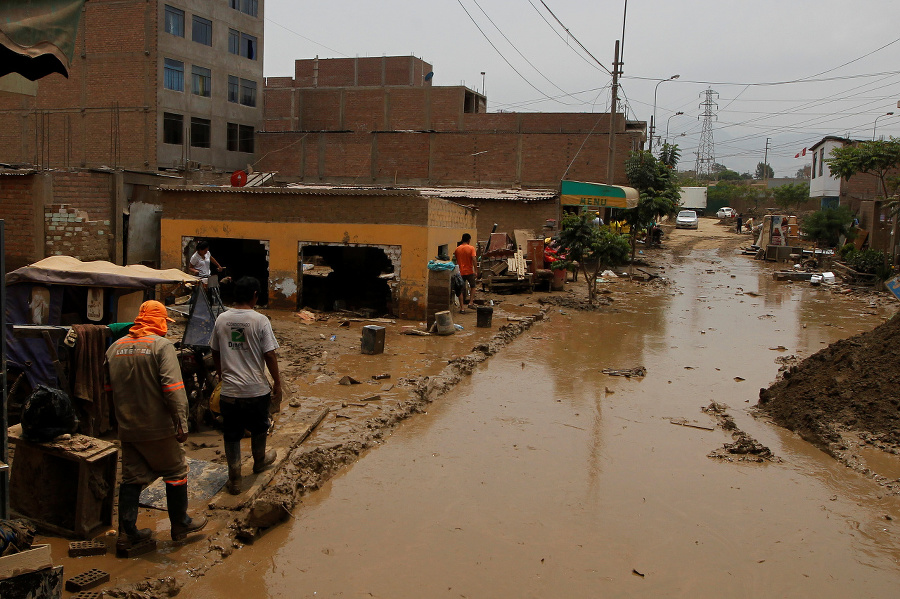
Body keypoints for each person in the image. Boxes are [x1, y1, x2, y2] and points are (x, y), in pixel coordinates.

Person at [104, 301, 207, 552]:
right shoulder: (162, 347)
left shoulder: (114, 348)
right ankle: (180, 524)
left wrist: (116, 421)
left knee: (132, 477)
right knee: (176, 472)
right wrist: (181, 424)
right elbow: (174, 390)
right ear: (159, 322)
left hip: (128, 428)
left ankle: (128, 533)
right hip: (158, 427)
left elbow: (108, 392)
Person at [211, 277, 283, 495]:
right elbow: (269, 354)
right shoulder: (260, 320)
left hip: (230, 391)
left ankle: (234, 479)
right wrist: (277, 383)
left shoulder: (222, 319)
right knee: (260, 426)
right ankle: (259, 461)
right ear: (255, 295)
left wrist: (222, 373)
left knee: (231, 433)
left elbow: (214, 351)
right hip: (255, 390)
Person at [453, 233, 477, 313]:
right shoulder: (471, 248)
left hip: (460, 272)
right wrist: (476, 270)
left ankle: (462, 308)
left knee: (460, 289)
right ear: (469, 240)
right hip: (469, 271)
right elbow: (473, 259)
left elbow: (455, 260)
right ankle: (470, 303)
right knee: (473, 286)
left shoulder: (457, 249)